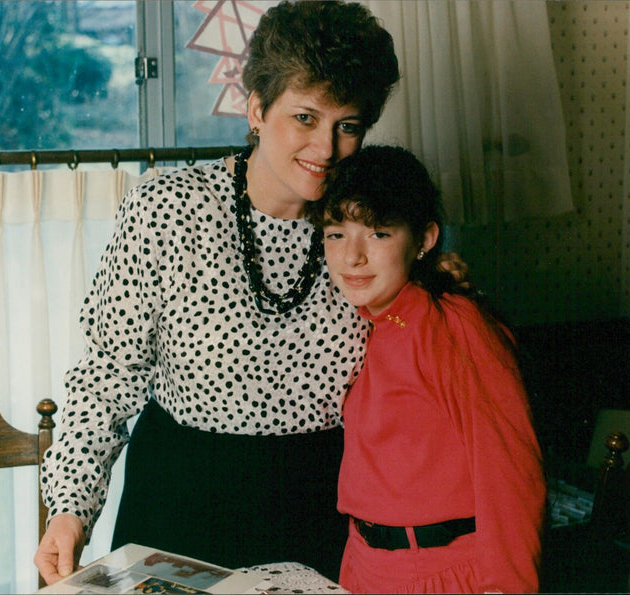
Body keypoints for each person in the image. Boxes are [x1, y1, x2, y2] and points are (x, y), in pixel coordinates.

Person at [34, 0, 468, 585]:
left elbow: (425, 385)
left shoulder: (371, 238)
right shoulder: (168, 207)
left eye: (349, 126)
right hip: (179, 505)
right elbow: (109, 375)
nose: (326, 148)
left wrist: (444, 289)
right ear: (257, 109)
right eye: (306, 118)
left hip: (321, 512)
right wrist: (69, 510)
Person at [307, 145, 546, 593]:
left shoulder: (455, 325)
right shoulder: (356, 319)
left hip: (440, 573)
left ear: (425, 239)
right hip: (362, 563)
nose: (352, 256)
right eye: (336, 233)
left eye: (378, 234)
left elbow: (513, 477)